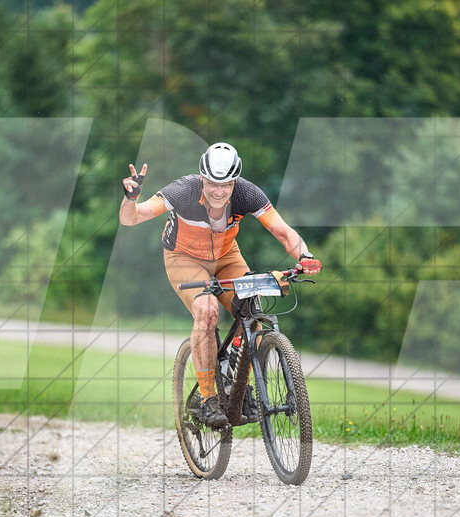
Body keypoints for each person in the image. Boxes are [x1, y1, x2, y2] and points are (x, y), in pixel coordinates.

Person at [119, 142, 321, 428]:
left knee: (252, 310)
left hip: (226, 256)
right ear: (202, 177)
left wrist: (305, 255)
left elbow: (282, 231)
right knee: (207, 309)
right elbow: (132, 218)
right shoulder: (184, 190)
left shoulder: (247, 194)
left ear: (234, 182)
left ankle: (240, 385)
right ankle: (209, 398)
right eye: (212, 183)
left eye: (225, 185)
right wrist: (131, 197)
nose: (218, 190)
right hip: (183, 257)